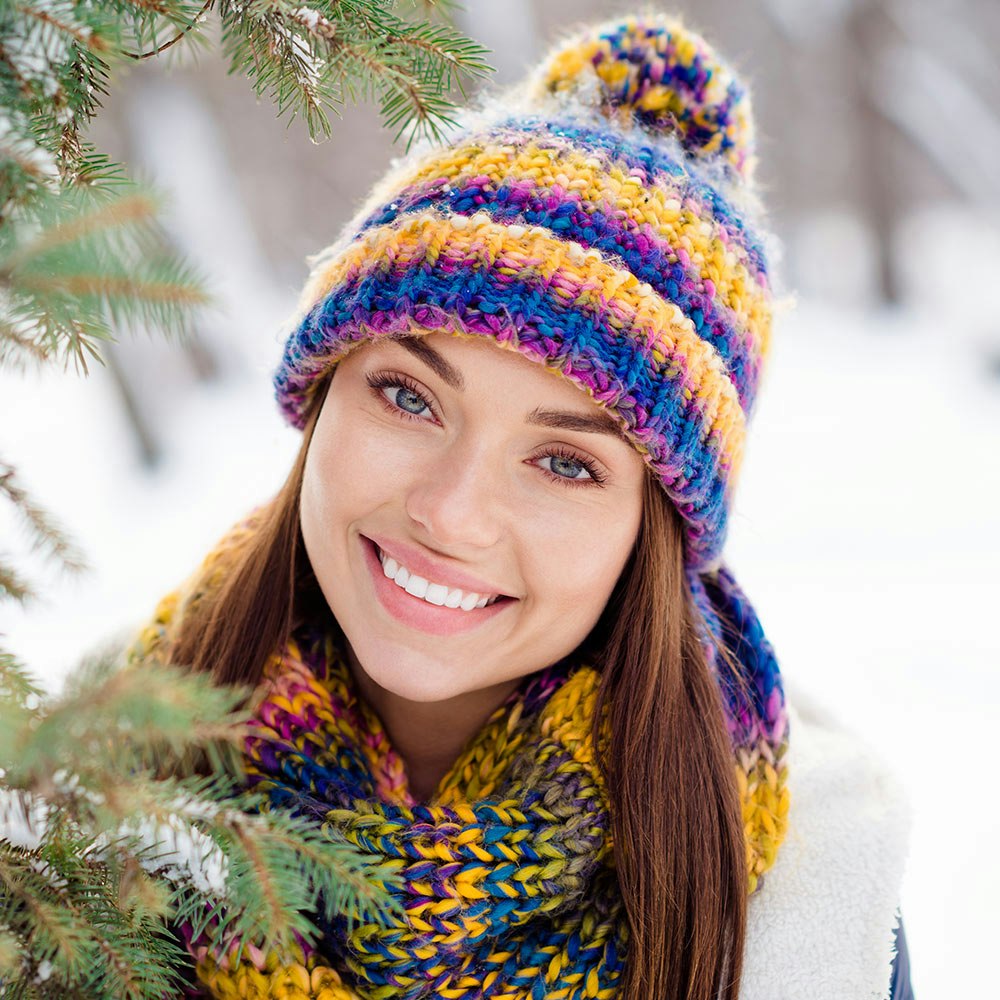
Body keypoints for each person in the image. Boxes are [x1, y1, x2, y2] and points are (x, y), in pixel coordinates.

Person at [129, 11, 914, 999]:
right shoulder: (81, 803)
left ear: (652, 532)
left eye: (565, 464)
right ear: (321, 394)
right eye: (408, 397)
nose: (452, 514)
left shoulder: (814, 919)